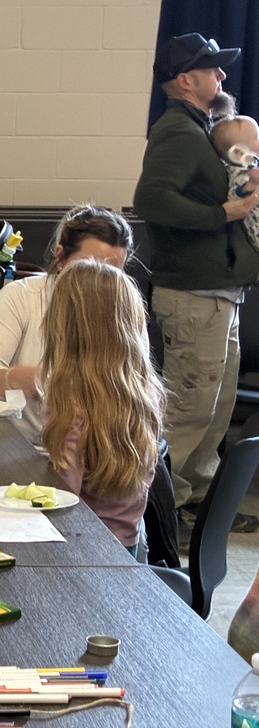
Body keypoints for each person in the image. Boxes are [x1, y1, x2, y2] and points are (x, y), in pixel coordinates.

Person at [133, 32, 259, 534]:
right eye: (212, 68)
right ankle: (162, 514)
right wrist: (224, 212)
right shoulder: (179, 133)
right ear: (186, 80)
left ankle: (196, 504)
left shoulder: (199, 129)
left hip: (217, 296)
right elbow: (152, 199)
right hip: (193, 298)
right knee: (189, 410)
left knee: (217, 406)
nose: (222, 75)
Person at [0, 205, 133, 445]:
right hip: (25, 446)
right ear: (60, 258)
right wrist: (22, 377)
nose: (99, 282)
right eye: (88, 268)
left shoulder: (125, 308)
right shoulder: (21, 298)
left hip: (96, 450)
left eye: (113, 273)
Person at [39, 261, 165, 556]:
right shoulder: (147, 389)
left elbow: (62, 501)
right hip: (130, 545)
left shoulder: (69, 397)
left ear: (64, 326)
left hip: (83, 550)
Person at [211, 113, 259, 252]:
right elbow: (235, 197)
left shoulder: (252, 167)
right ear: (239, 153)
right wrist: (251, 184)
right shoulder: (239, 173)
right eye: (257, 138)